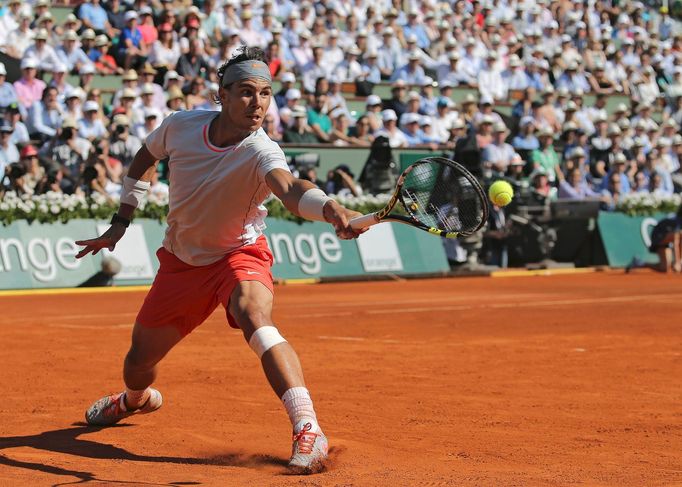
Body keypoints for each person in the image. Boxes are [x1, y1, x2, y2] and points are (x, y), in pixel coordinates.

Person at [74, 46, 364, 474]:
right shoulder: (180, 126)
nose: (258, 104)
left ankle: (308, 428)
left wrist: (329, 208)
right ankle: (132, 401)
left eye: (266, 94)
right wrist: (120, 222)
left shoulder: (261, 149)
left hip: (238, 254)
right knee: (138, 365)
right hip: (181, 264)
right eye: (247, 92)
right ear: (222, 94)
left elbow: (288, 188)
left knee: (253, 315)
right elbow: (144, 158)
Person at [627, 206, 682, 273]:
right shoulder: (678, 221)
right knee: (678, 236)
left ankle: (639, 263)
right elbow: (676, 241)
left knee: (664, 268)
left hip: (667, 240)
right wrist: (677, 262)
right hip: (659, 237)